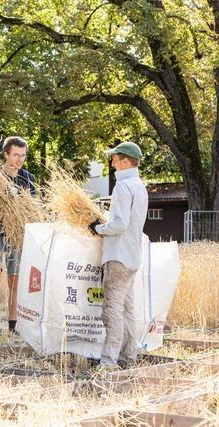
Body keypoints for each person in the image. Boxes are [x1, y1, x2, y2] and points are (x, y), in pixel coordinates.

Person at [89, 141, 148, 368]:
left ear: (125, 161)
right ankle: (128, 357)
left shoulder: (122, 187)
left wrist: (99, 228)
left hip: (118, 257)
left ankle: (109, 361)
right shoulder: (139, 186)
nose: (112, 162)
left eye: (114, 158)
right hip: (132, 256)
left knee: (111, 308)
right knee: (127, 310)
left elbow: (120, 224)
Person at [0, 136, 35, 339]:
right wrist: (1, 200)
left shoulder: (28, 178)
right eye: (16, 155)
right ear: (6, 154)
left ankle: (13, 325)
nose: (20, 159)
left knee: (15, 280)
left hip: (16, 234)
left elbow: (33, 209)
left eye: (23, 155)